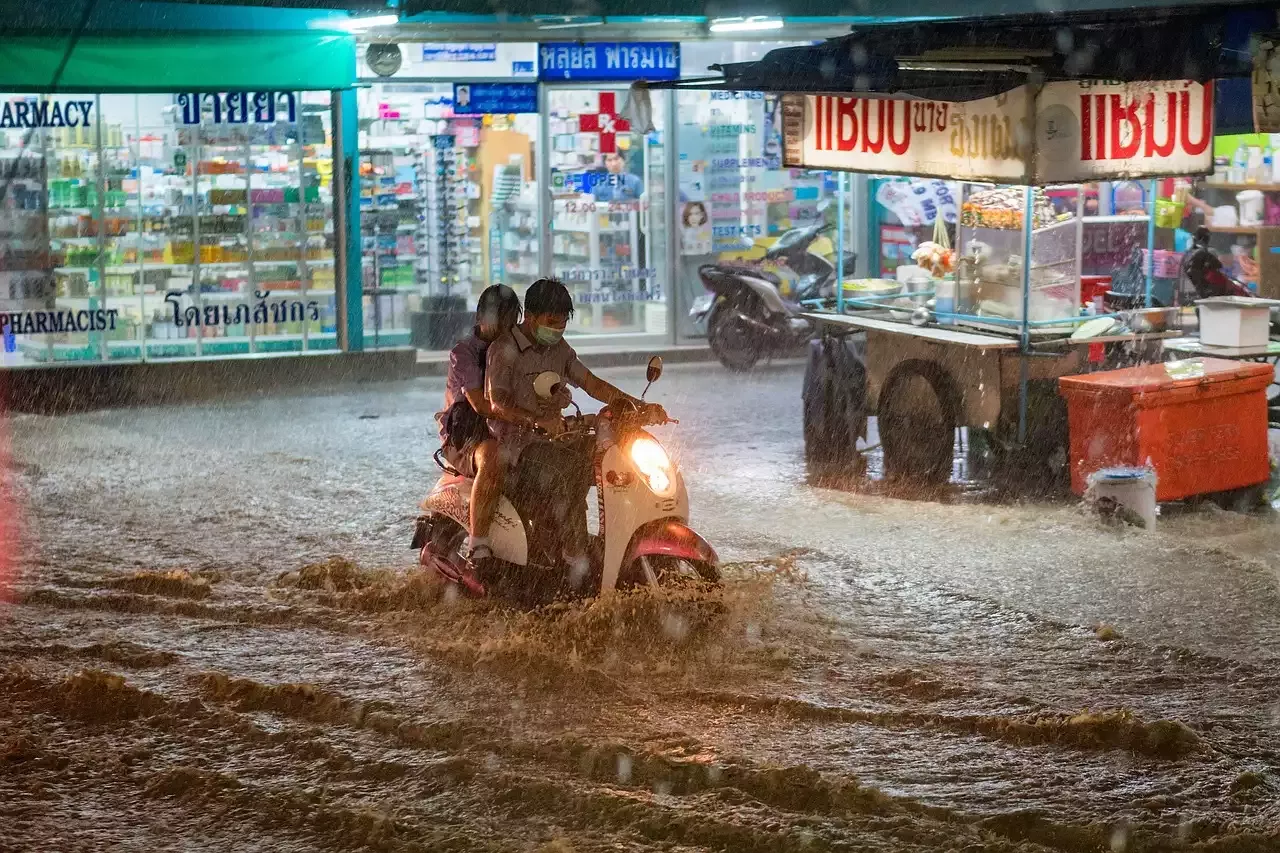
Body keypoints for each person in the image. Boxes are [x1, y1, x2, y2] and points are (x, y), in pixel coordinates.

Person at [485, 277, 665, 580]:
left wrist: (637, 407)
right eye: (551, 322)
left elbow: (591, 383)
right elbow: (496, 404)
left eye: (562, 324)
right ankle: (574, 558)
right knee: (565, 469)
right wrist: (535, 422)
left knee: (607, 459)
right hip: (517, 448)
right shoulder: (504, 350)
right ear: (529, 317)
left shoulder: (559, 349)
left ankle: (605, 545)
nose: (557, 330)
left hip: (553, 441)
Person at [433, 284, 529, 569]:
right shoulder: (465, 354)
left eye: (512, 321)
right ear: (481, 318)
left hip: (506, 428)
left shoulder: (518, 350)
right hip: (467, 435)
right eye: (501, 320)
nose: (506, 328)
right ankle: (478, 544)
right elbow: (481, 405)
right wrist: (529, 418)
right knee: (493, 457)